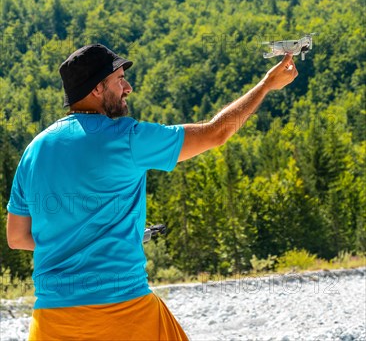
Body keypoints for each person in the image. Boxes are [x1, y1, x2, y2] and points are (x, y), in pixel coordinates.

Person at [6, 43, 298, 340]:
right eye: (119, 79)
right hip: (123, 313)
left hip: (51, 321)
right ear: (97, 88)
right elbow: (216, 132)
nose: (128, 87)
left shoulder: (34, 151)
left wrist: (87, 241)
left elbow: (17, 238)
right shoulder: (126, 137)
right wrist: (266, 86)